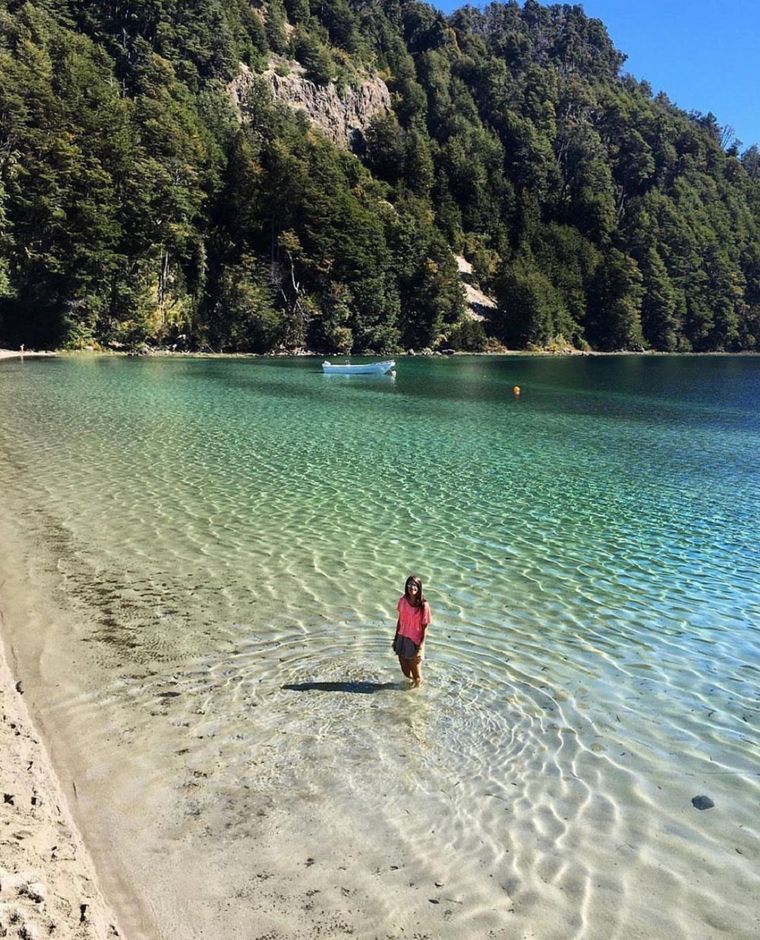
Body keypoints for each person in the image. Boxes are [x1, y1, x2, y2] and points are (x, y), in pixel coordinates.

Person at [392, 575, 431, 687]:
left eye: (414, 585)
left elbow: (425, 627)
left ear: (419, 587)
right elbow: (400, 620)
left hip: (415, 641)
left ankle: (418, 692)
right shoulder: (403, 600)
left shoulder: (424, 605)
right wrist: (396, 639)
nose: (411, 587)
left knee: (416, 673)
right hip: (402, 637)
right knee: (405, 669)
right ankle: (411, 688)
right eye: (409, 584)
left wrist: (421, 647)